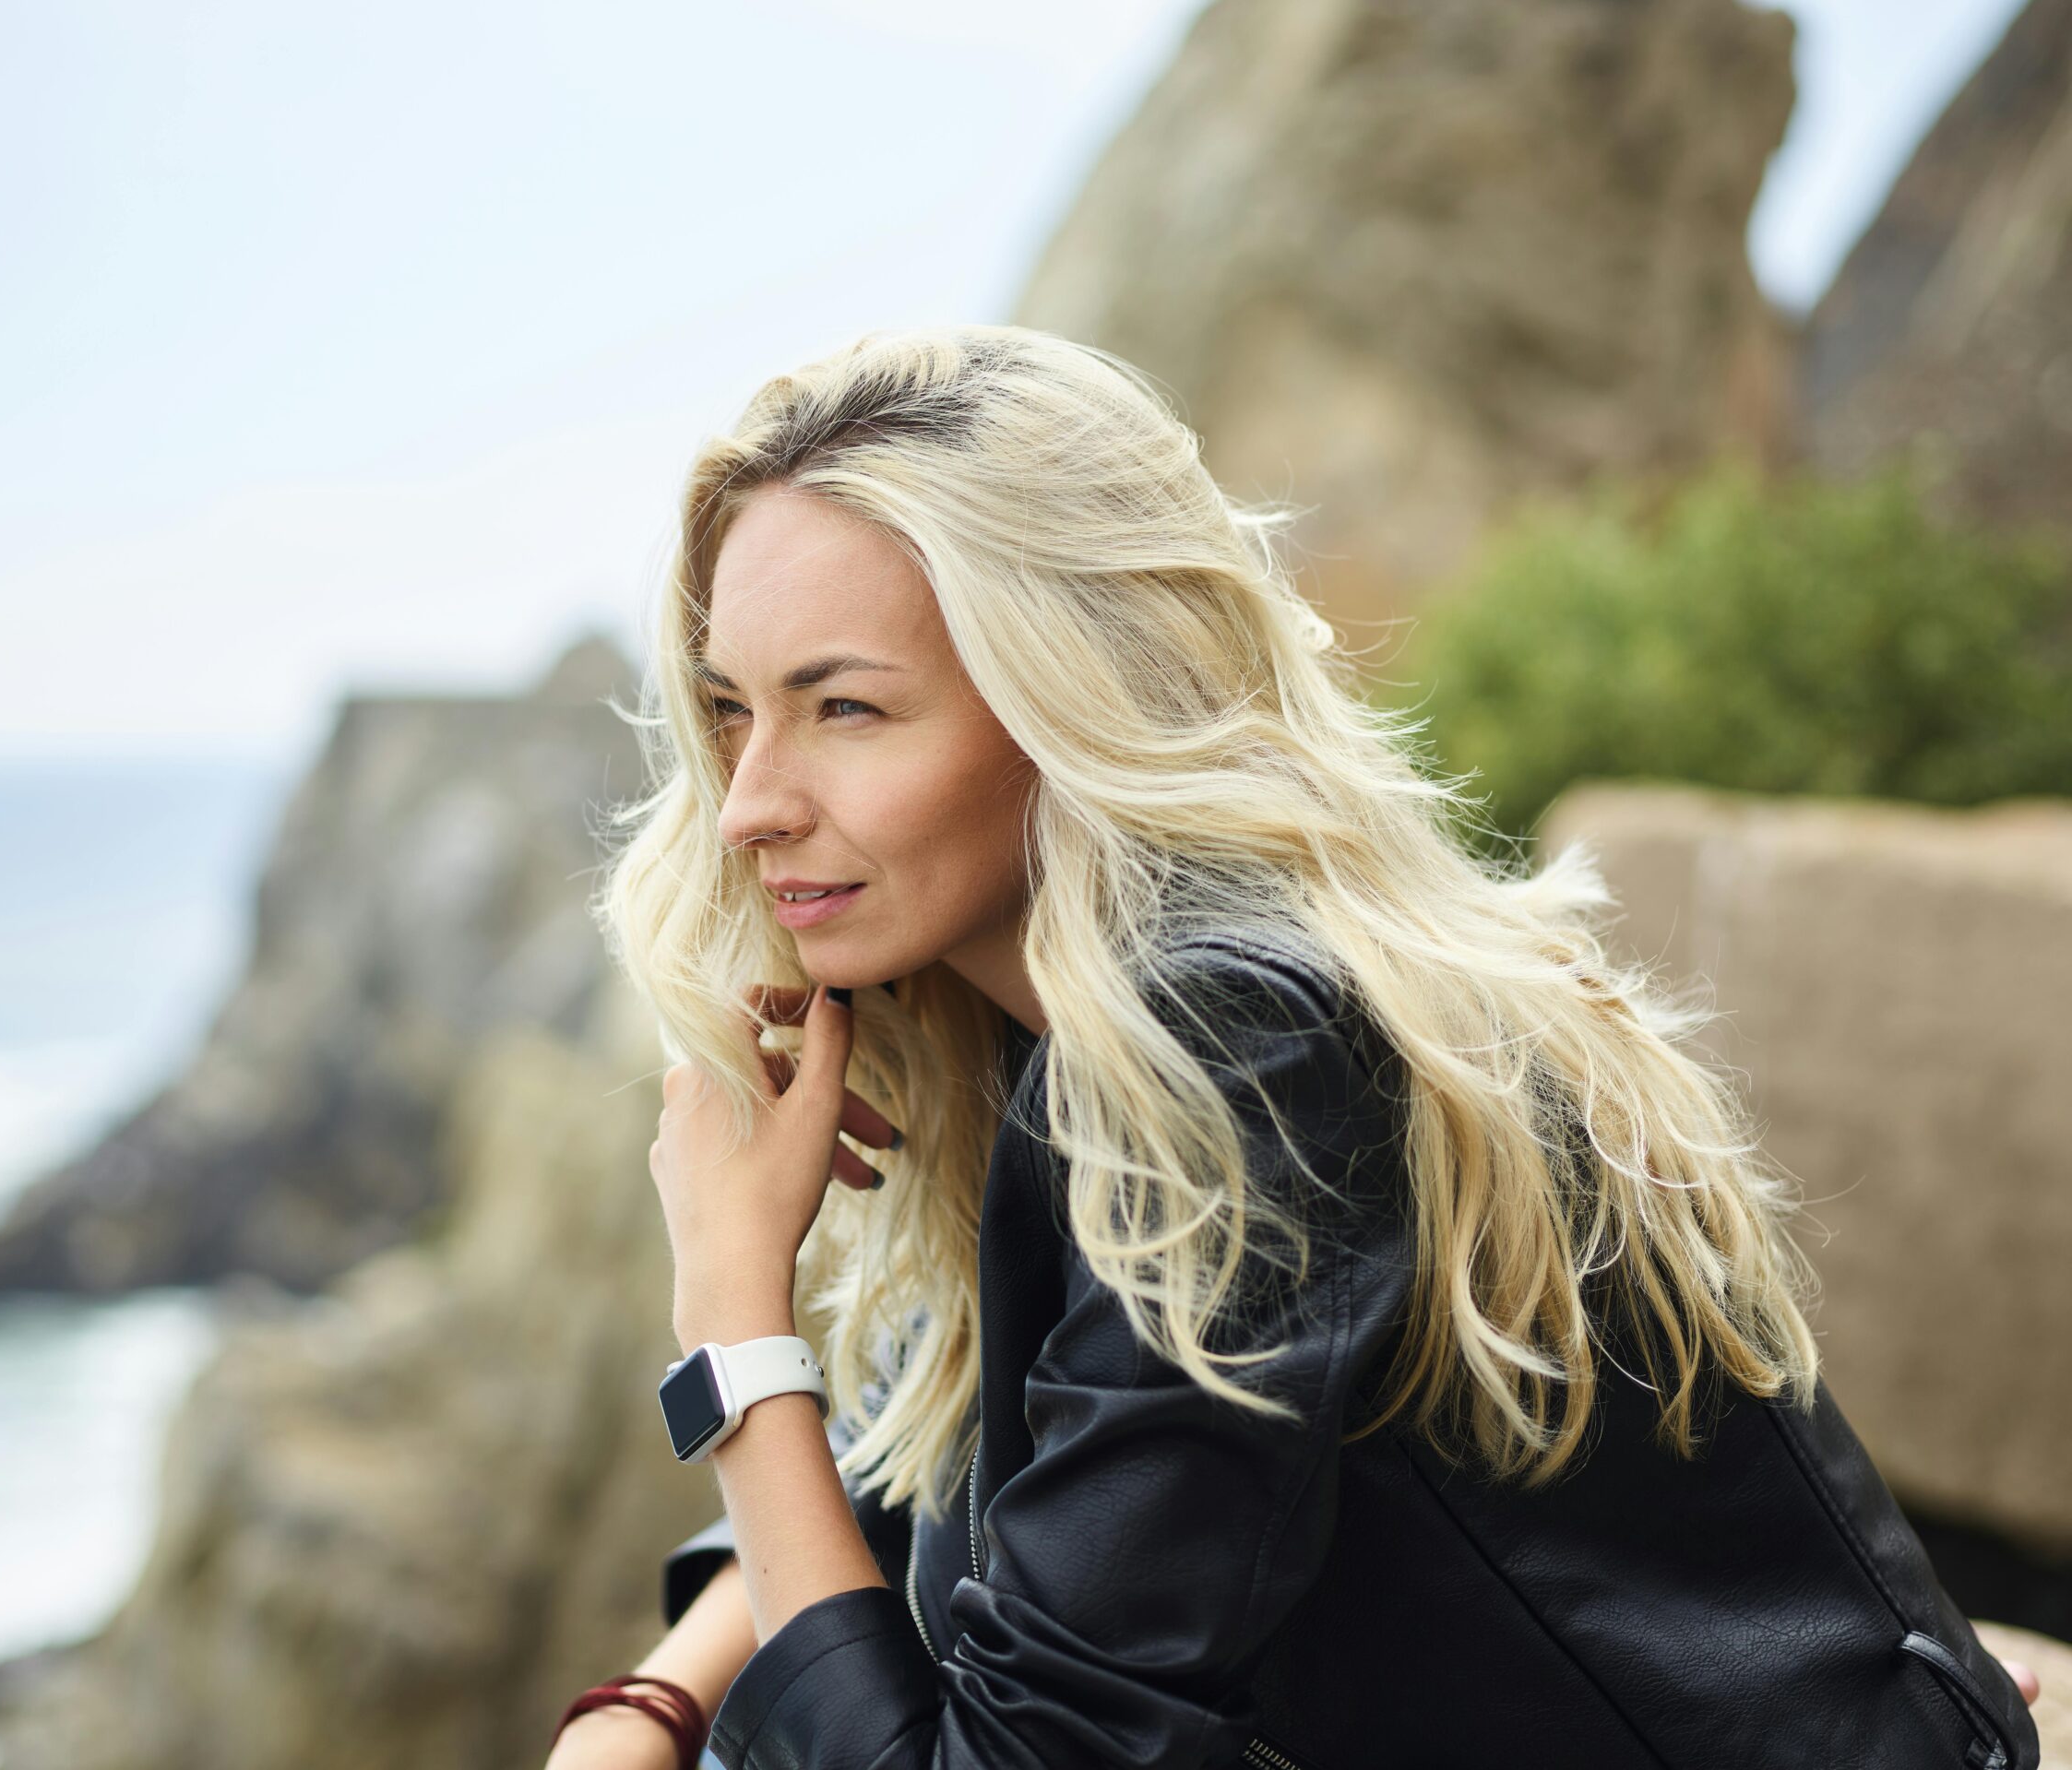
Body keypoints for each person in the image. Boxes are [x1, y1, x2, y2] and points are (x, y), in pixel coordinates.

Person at [551, 324, 2044, 1770]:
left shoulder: (1235, 1041)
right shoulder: (1036, 1017)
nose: (750, 802)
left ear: (1070, 694)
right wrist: (656, 1700)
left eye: (848, 709)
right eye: (736, 712)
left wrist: (730, 1323)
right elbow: (937, 1453)